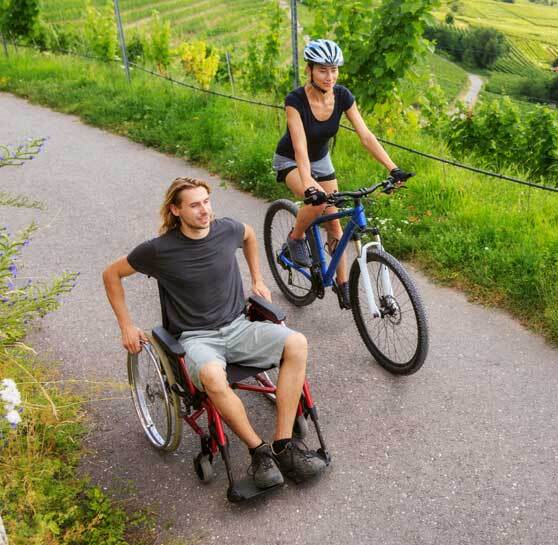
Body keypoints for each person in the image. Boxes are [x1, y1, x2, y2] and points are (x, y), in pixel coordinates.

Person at [102, 177, 326, 488]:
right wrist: (126, 324)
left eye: (206, 201)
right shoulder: (159, 250)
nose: (204, 210)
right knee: (211, 375)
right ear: (176, 210)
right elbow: (111, 274)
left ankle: (283, 445)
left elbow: (249, 236)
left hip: (238, 326)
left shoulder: (227, 229)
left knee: (297, 343)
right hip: (196, 338)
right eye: (194, 204)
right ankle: (258, 451)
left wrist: (258, 280)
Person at [273, 38, 412, 309]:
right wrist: (309, 185)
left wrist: (393, 168)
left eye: (334, 69)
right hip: (291, 159)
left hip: (321, 160)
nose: (330, 76)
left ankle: (343, 284)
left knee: (335, 222)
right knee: (320, 199)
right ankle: (296, 237)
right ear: (310, 70)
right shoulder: (295, 101)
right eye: (323, 70)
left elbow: (366, 136)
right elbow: (300, 148)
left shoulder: (343, 96)